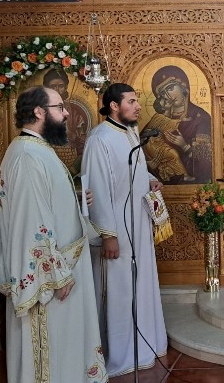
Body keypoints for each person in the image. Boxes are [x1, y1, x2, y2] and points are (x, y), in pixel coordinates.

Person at [0, 86, 107, 383]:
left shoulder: (35, 149)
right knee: (50, 353)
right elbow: (30, 220)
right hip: (51, 279)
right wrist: (55, 274)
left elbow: (44, 202)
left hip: (64, 267)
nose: (66, 113)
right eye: (60, 107)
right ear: (39, 111)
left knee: (67, 348)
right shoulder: (27, 155)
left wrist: (74, 198)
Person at [81, 83, 167, 377]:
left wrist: (150, 179)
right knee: (119, 292)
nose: (138, 106)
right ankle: (120, 355)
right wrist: (108, 235)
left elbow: (132, 169)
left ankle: (144, 345)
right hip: (117, 230)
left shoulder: (130, 133)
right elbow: (97, 189)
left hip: (139, 226)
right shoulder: (99, 139)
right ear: (114, 106)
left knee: (139, 285)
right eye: (131, 101)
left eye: (136, 100)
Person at [142, 65, 212, 184]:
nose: (168, 96)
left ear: (183, 85)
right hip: (160, 185)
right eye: (163, 93)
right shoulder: (159, 119)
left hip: (194, 187)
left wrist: (184, 146)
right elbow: (141, 148)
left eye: (170, 88)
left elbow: (205, 163)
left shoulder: (201, 119)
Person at [42, 68, 90, 175]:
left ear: (66, 87)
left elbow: (83, 144)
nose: (57, 90)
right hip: (45, 162)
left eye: (61, 86)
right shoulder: (40, 112)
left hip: (70, 161)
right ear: (46, 88)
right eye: (53, 86)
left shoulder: (74, 114)